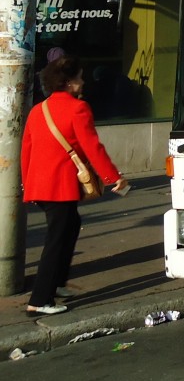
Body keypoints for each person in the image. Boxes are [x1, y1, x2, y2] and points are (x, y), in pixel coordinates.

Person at [21, 55, 128, 315]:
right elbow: (93, 147)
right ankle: (40, 299)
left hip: (40, 184)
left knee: (70, 226)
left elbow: (27, 149)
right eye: (80, 77)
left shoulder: (39, 109)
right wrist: (113, 177)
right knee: (56, 239)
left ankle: (57, 284)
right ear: (68, 82)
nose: (83, 82)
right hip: (60, 185)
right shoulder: (78, 109)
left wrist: (27, 183)